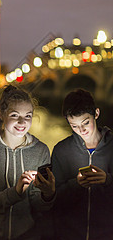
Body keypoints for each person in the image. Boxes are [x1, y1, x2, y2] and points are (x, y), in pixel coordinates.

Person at [0, 85, 55, 240]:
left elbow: (38, 205)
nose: (22, 122)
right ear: (1, 114)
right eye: (14, 115)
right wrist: (16, 192)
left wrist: (48, 194)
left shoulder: (41, 150)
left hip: (28, 233)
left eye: (28, 116)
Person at [51, 88, 113, 240]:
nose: (81, 130)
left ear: (96, 114)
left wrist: (108, 180)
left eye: (85, 123)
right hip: (69, 233)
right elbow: (53, 198)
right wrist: (75, 184)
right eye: (74, 126)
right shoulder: (61, 150)